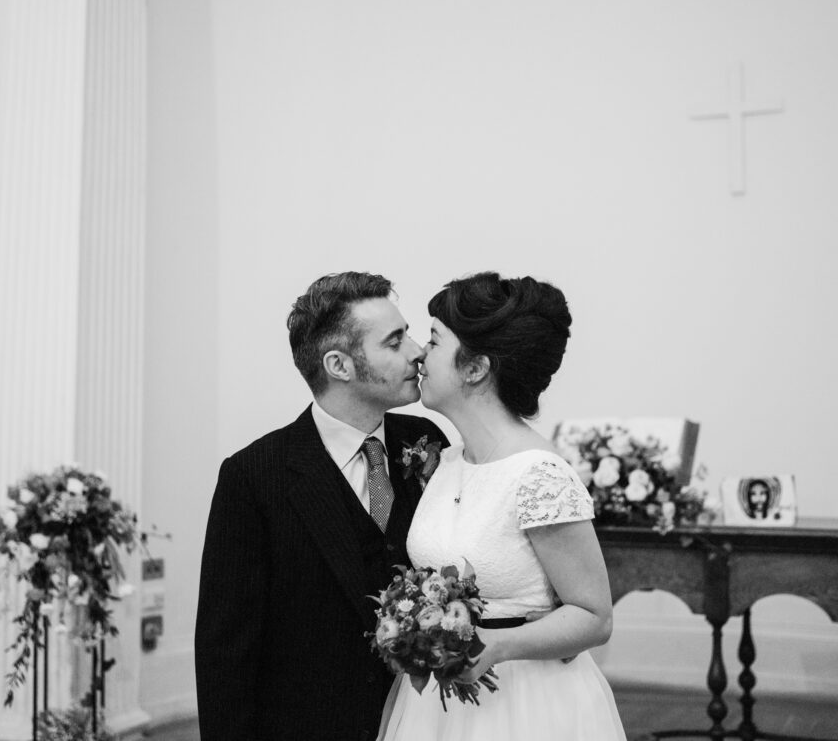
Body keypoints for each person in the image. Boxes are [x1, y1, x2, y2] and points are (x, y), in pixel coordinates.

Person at [195, 272, 449, 741]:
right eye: (394, 342)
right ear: (339, 365)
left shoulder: (427, 441)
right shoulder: (255, 476)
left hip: (426, 722)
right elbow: (225, 649)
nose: (417, 352)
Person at [378, 271, 627, 740]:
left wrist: (494, 644)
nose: (419, 354)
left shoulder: (539, 475)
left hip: (526, 702)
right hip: (437, 708)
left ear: (475, 368)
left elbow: (595, 617)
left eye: (433, 340)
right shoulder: (446, 461)